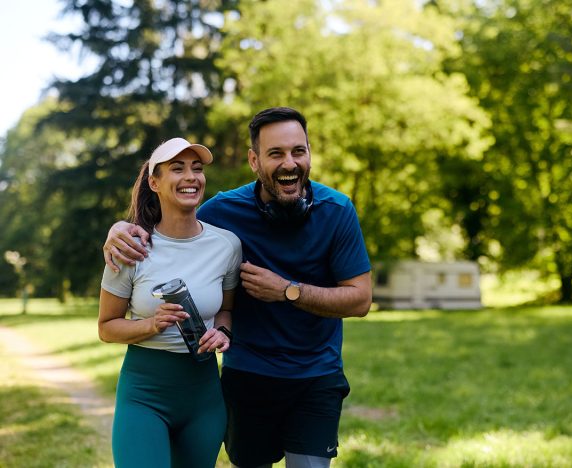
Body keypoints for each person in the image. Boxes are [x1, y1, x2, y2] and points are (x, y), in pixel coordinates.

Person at [103, 107, 372, 468]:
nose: (289, 163)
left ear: (309, 153)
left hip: (315, 376)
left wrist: (287, 290)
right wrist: (119, 228)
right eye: (275, 153)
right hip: (248, 377)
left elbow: (360, 299)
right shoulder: (224, 212)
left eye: (298, 151)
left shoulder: (336, 211)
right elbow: (172, 224)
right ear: (254, 160)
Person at [99, 137, 242, 468]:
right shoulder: (131, 247)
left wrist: (223, 333)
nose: (191, 176)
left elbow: (226, 310)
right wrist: (151, 324)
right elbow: (106, 327)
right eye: (177, 169)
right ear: (154, 182)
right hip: (144, 395)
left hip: (203, 397)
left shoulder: (227, 246)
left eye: (197, 168)